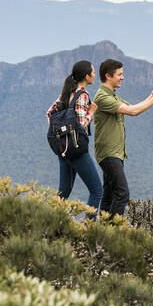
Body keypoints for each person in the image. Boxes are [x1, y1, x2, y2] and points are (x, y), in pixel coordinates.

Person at [93, 58, 153, 218]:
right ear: (108, 76)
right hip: (109, 153)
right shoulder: (102, 97)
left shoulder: (112, 95)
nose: (122, 77)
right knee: (122, 193)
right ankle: (113, 231)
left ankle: (103, 231)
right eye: (119, 74)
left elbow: (132, 107)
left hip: (115, 153)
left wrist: (152, 95)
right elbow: (133, 112)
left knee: (110, 194)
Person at [46, 60, 103, 218]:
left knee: (63, 192)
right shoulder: (82, 95)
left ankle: (51, 223)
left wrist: (62, 127)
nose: (94, 75)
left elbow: (49, 114)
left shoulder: (66, 92)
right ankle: (87, 229)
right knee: (97, 190)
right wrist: (91, 112)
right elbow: (80, 124)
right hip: (77, 150)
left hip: (62, 149)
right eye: (92, 72)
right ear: (86, 76)